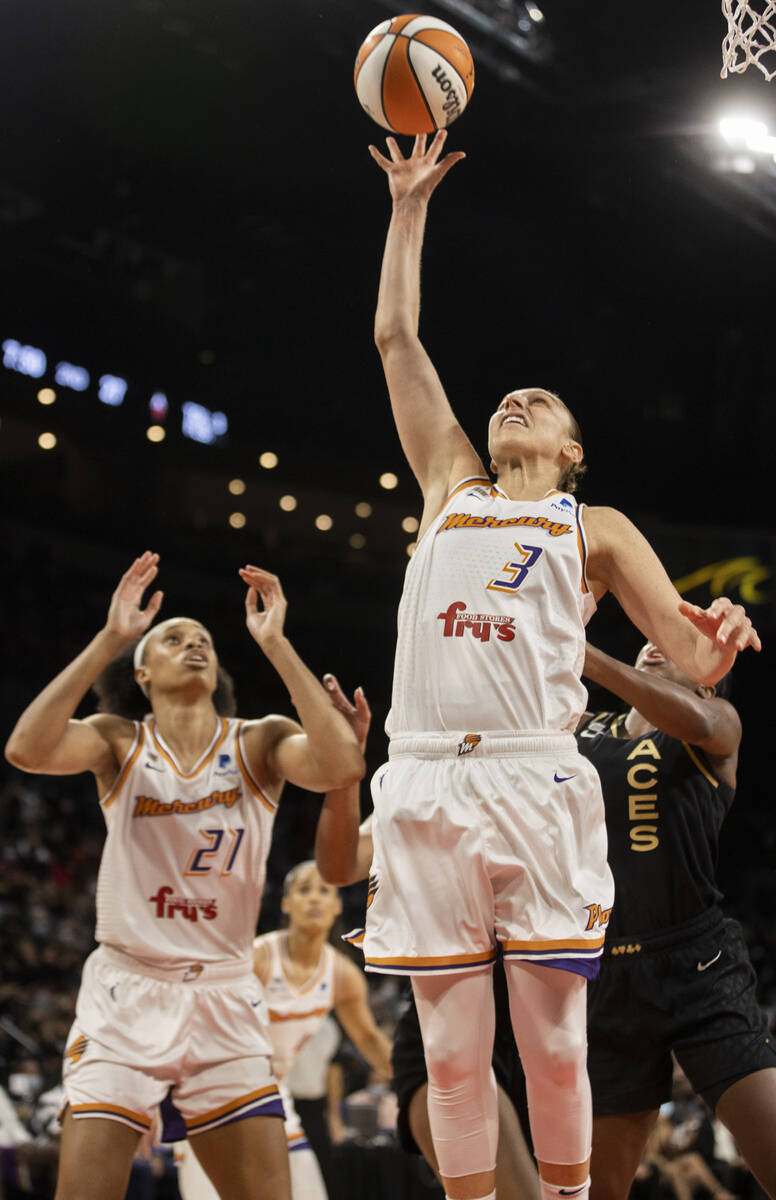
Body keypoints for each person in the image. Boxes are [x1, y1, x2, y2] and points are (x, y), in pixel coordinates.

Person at [361, 128, 760, 1200]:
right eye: (505, 403)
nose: (511, 406)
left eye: (536, 408)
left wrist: (715, 641)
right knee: (449, 1055)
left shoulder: (597, 527)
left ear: (570, 452)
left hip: (534, 774)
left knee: (548, 1046)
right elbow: (397, 339)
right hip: (425, 772)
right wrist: (408, 206)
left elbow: (688, 667)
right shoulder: (448, 481)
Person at [3, 552, 364, 1200]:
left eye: (202, 639)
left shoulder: (258, 740)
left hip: (225, 997)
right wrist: (110, 638)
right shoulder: (118, 739)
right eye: (173, 637)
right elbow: (26, 748)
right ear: (142, 673)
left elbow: (341, 767)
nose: (193, 643)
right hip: (127, 994)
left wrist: (277, 645)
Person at [315, 675, 541, 1200]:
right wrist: (347, 769)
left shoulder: (544, 771)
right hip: (448, 1022)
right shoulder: (416, 787)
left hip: (544, 1021)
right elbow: (339, 862)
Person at [577, 641, 776, 1200]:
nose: (653, 640)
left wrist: (586, 657)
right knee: (597, 1189)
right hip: (606, 975)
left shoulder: (714, 722)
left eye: (679, 643)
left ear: (709, 681)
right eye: (650, 631)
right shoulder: (582, 729)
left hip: (699, 965)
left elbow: (690, 716)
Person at [174, 859, 392, 1200]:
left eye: (324, 890)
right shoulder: (258, 958)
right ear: (286, 903)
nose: (315, 898)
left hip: (273, 1097)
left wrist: (418, 1081)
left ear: (337, 906)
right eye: (304, 890)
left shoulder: (341, 974)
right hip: (214, 1095)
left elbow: (368, 1037)